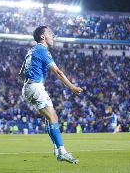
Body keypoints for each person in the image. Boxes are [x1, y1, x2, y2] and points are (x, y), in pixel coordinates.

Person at [19, 26, 83, 164]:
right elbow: (58, 72)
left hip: (30, 86)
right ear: (43, 36)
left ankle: (57, 148)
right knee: (52, 117)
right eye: (50, 33)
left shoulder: (31, 50)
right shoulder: (42, 49)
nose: (53, 36)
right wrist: (72, 87)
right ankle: (62, 152)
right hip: (35, 86)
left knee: (51, 117)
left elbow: (21, 73)